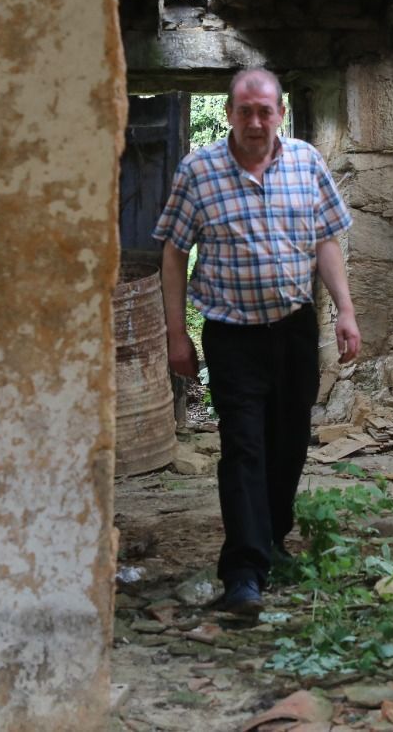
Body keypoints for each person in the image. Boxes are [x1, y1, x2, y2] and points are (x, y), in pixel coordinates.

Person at [153, 68, 361, 615]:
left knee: (288, 444)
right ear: (228, 114)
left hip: (293, 328)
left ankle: (270, 540)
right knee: (243, 446)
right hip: (231, 334)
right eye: (244, 110)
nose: (254, 120)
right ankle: (243, 571)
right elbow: (174, 253)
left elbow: (325, 239)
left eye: (264, 110)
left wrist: (345, 309)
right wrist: (177, 334)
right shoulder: (198, 171)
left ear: (280, 113)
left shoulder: (307, 163)